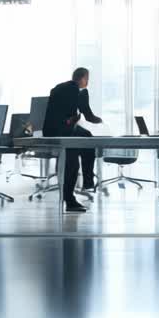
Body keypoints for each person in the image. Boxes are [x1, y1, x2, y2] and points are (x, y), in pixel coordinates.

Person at [43, 67, 103, 212]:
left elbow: (62, 113)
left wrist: (74, 119)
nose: (87, 82)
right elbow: (89, 116)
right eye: (87, 79)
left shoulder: (58, 88)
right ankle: (86, 182)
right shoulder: (79, 90)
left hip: (50, 131)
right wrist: (100, 121)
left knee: (79, 148)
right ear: (82, 78)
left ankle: (81, 186)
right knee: (84, 147)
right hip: (65, 131)